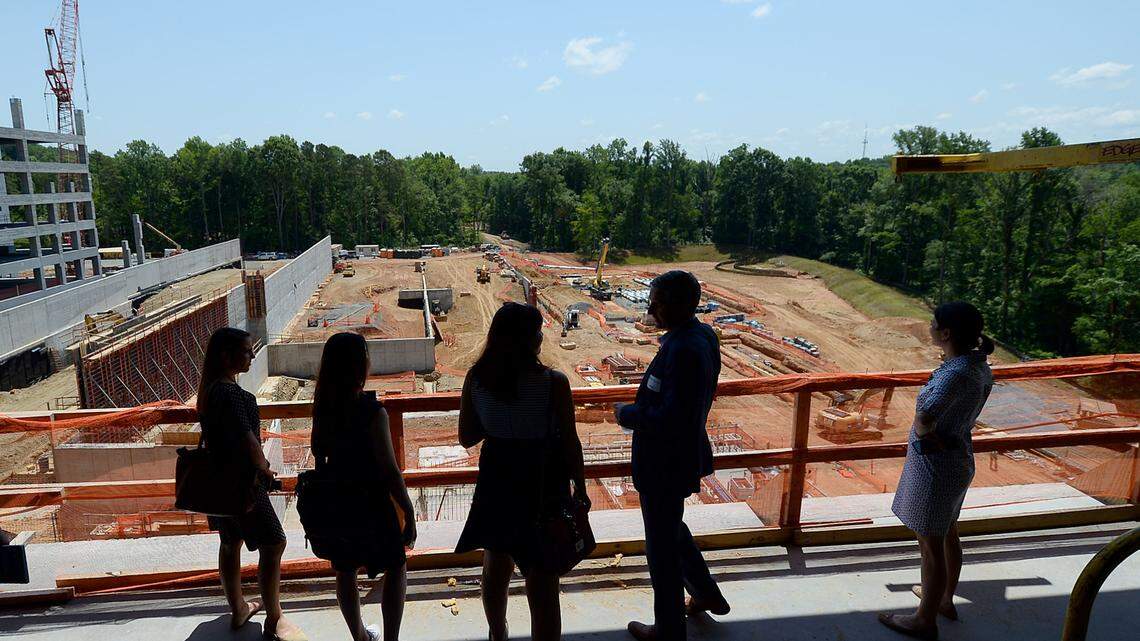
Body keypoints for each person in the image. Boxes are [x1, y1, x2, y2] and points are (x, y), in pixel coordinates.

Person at [455, 302, 589, 641]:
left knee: (496, 564)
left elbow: (466, 436)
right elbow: (571, 443)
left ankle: (497, 633)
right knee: (543, 576)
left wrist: (498, 418)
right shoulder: (554, 383)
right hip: (543, 480)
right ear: (531, 339)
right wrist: (581, 488)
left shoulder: (477, 378)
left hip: (498, 476)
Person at [615, 270, 730, 641]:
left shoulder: (684, 349)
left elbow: (671, 417)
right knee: (672, 532)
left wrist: (626, 414)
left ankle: (668, 629)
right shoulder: (698, 337)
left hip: (664, 463)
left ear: (680, 304)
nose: (651, 307)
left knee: (661, 549)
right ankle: (706, 594)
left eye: (658, 301)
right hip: (675, 459)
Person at [878, 302, 995, 641]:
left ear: (945, 334)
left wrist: (923, 435)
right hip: (959, 458)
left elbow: (926, 416)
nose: (928, 327)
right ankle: (943, 599)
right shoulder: (978, 366)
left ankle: (923, 620)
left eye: (933, 324)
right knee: (947, 533)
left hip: (936, 466)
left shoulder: (955, 372)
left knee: (930, 544)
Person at [197, 327, 306, 641]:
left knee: (230, 542)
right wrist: (265, 470)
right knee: (274, 543)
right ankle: (274, 618)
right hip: (242, 483)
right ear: (226, 356)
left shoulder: (209, 391)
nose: (254, 355)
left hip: (217, 484)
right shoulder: (233, 394)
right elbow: (248, 439)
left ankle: (239, 609)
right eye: (247, 351)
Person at [310, 332, 417, 641]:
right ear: (361, 366)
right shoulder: (373, 412)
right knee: (396, 566)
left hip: (338, 501)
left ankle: (359, 636)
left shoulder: (323, 408)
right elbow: (390, 470)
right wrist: (408, 511)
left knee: (344, 570)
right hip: (372, 502)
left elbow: (319, 452)